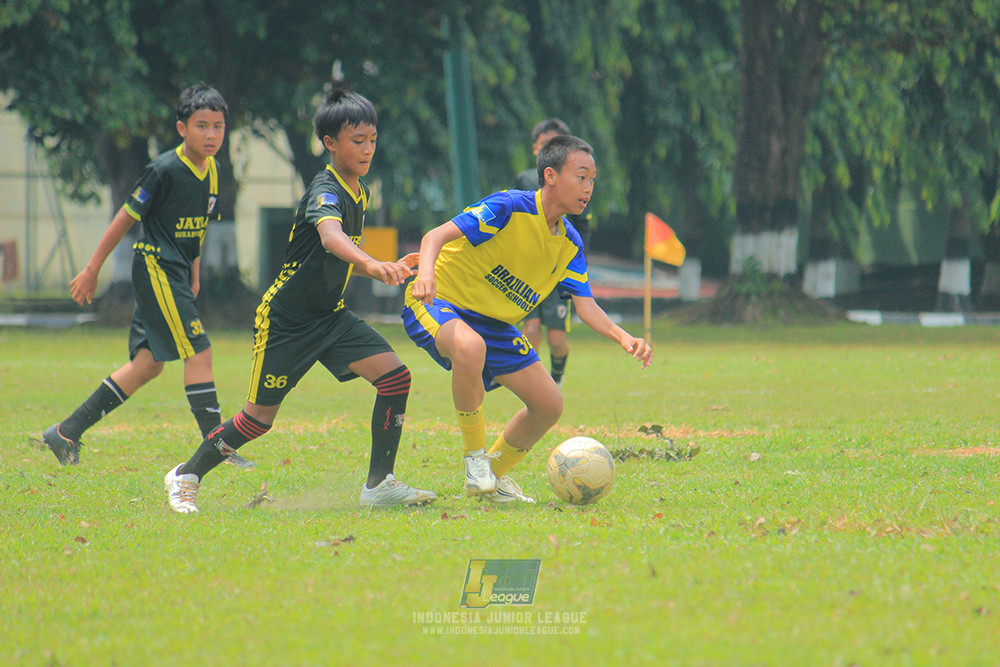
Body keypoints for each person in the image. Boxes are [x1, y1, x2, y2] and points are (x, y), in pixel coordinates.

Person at [164, 88, 436, 513]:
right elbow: (331, 238)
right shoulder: (325, 190)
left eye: (372, 139)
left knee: (395, 378)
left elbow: (338, 257)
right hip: (287, 321)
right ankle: (186, 475)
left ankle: (379, 484)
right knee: (257, 421)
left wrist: (383, 266)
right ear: (330, 143)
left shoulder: (359, 190)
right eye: (356, 140)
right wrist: (369, 260)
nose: (367, 149)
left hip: (330, 317)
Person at [403, 134, 652, 503]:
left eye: (593, 180)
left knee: (549, 404)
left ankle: (492, 478)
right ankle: (475, 459)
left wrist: (623, 337)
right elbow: (433, 237)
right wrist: (426, 275)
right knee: (471, 348)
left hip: (494, 323)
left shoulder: (569, 244)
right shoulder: (509, 208)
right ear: (550, 175)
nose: (589, 188)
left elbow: (585, 305)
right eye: (581, 176)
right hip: (440, 300)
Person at [42, 84, 252, 468]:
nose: (211, 134)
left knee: (147, 366)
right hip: (155, 266)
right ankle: (217, 446)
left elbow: (197, 228)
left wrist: (196, 273)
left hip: (176, 272)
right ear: (181, 128)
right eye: (201, 125)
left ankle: (65, 432)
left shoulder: (215, 172)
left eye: (218, 127)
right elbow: (124, 219)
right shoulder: (163, 169)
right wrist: (92, 270)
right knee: (199, 351)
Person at [515, 119, 594, 389]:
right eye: (544, 144)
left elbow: (582, 231)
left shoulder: (577, 191)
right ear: (535, 148)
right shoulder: (522, 185)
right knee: (532, 330)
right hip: (529, 272)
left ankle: (557, 377)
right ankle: (533, 385)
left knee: (557, 339)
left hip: (557, 273)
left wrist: (574, 268)